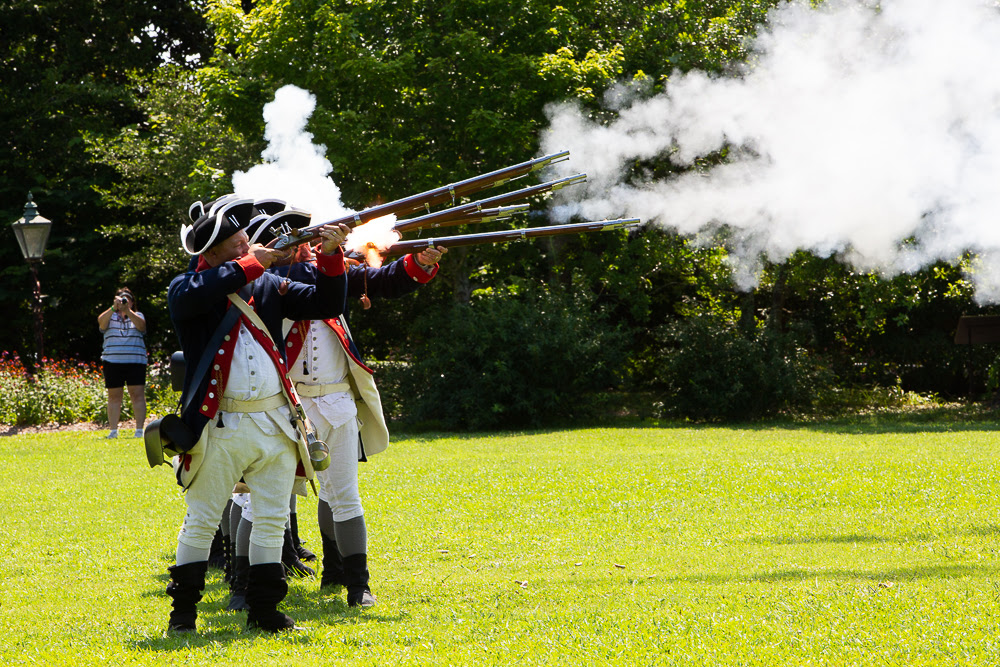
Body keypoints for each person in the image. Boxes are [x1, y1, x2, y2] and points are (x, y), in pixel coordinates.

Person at [163, 197, 350, 634]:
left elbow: (326, 302)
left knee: (270, 518)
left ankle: (265, 612)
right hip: (219, 425)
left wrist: (330, 254)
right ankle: (183, 615)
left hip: (275, 423)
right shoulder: (188, 289)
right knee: (201, 520)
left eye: (245, 238)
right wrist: (253, 263)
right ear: (211, 253)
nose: (247, 243)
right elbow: (198, 292)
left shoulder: (266, 286)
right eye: (237, 241)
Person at [280, 237, 446, 607]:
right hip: (286, 405)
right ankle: (252, 583)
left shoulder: (336, 272)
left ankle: (353, 581)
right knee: (266, 497)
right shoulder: (270, 276)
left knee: (341, 493)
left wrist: (417, 262)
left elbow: (384, 279)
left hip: (337, 401)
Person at [97, 288, 147, 439]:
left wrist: (128, 311)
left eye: (127, 299)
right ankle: (113, 431)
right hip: (112, 362)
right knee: (114, 397)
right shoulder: (109, 315)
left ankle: (139, 430)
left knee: (137, 395)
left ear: (132, 302)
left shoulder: (138, 315)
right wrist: (113, 308)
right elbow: (101, 323)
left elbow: (141, 326)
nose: (124, 301)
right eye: (121, 299)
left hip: (135, 362)